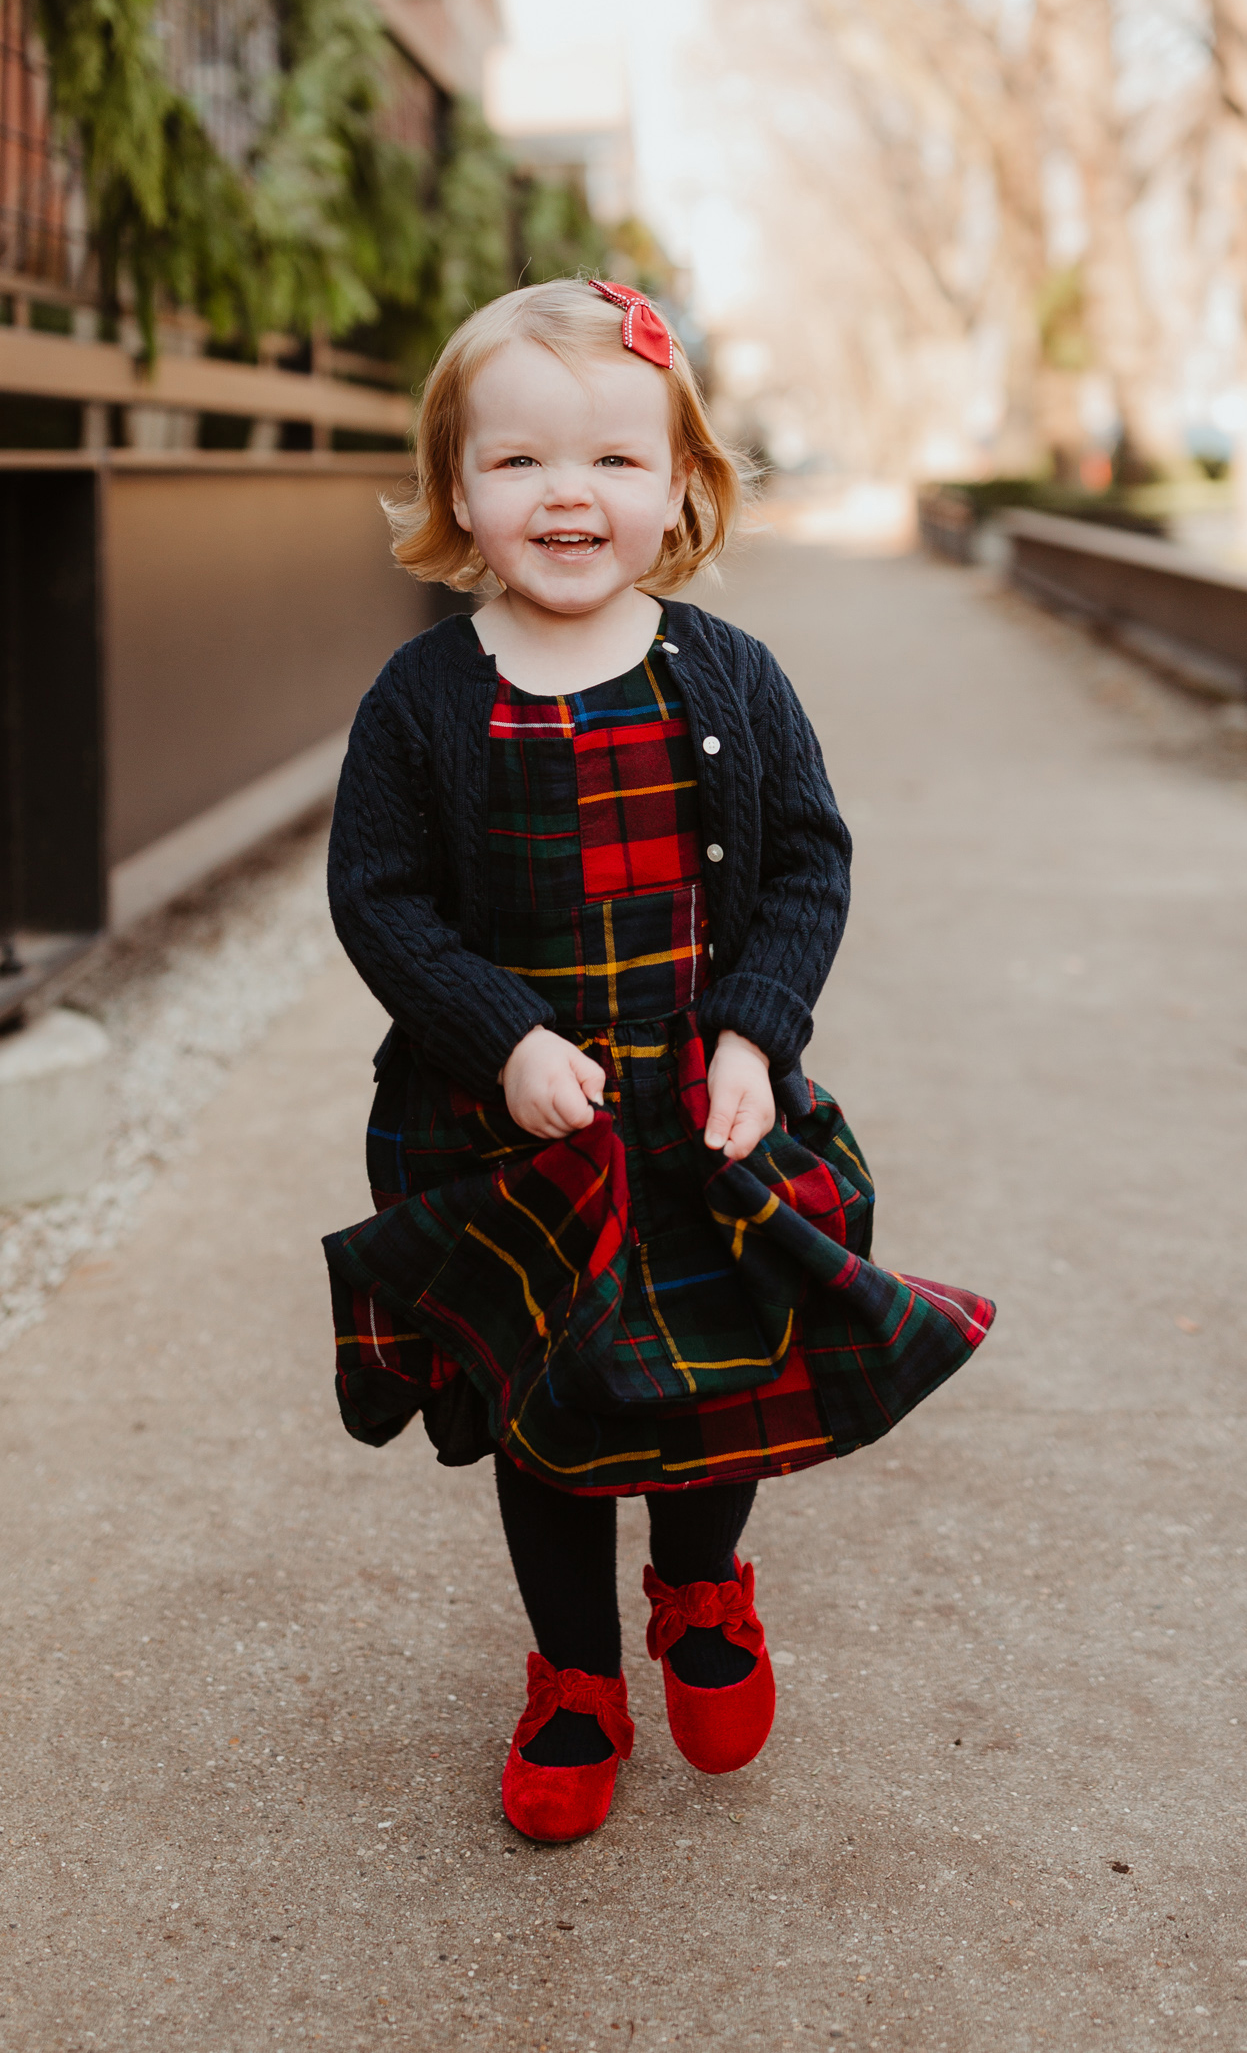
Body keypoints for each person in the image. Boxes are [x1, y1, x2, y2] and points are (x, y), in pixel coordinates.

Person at [323, 276, 993, 1842]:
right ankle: (574, 1677)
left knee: (716, 1383)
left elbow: (810, 864)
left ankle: (701, 1582)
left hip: (704, 1115)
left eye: (616, 461)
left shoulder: (733, 679)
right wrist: (500, 1040)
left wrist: (762, 1026)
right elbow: (381, 898)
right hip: (521, 1134)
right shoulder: (421, 703)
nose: (570, 495)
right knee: (552, 1413)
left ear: (683, 483)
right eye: (521, 463)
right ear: (457, 493)